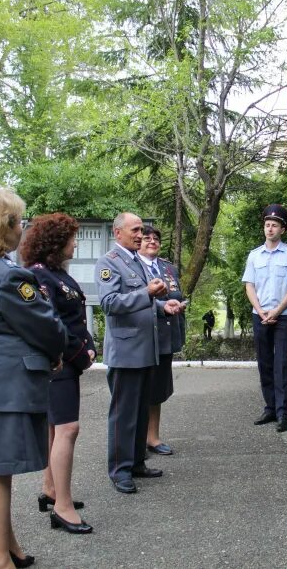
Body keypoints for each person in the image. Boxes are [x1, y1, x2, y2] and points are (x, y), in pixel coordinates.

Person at [0, 187, 67, 569]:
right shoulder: (8, 276)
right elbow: (46, 328)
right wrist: (56, 350)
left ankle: (10, 548)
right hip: (2, 385)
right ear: (5, 225)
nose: (23, 228)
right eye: (20, 220)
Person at [95, 212, 183, 494]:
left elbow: (146, 300)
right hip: (126, 350)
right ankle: (120, 470)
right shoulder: (109, 263)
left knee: (141, 410)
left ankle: (136, 463)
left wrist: (163, 306)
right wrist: (146, 294)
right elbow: (109, 303)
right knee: (123, 413)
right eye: (135, 230)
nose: (140, 234)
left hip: (148, 349)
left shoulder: (137, 261)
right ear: (117, 232)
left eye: (141, 230)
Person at [20, 213, 95, 535]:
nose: (76, 243)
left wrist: (87, 345)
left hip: (66, 362)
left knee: (55, 429)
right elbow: (51, 325)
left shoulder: (54, 273)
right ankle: (63, 508)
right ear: (56, 241)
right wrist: (81, 354)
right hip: (57, 364)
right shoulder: (38, 275)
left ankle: (51, 490)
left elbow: (74, 316)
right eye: (72, 238)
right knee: (68, 429)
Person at [243, 204, 287, 432]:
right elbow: (249, 286)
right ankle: (270, 408)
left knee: (281, 365)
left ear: (283, 229)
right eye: (267, 225)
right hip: (259, 316)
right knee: (265, 363)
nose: (270, 229)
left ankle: (282, 413)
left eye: (275, 225)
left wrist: (276, 312)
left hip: (284, 318)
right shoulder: (254, 255)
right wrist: (261, 311)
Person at [138, 226, 187, 456]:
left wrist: (179, 305)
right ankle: (136, 440)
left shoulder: (168, 268)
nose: (152, 242)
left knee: (157, 390)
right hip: (143, 338)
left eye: (156, 239)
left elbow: (176, 295)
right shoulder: (133, 267)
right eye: (146, 238)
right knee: (139, 391)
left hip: (166, 336)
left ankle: (153, 438)